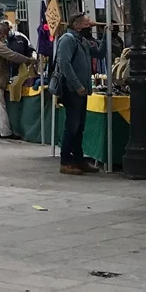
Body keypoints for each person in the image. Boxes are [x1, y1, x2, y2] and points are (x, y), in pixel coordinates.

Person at [52, 12, 99, 175]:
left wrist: (107, 34)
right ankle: (65, 161)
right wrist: (77, 85)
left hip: (82, 90)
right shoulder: (68, 39)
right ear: (77, 25)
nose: (90, 25)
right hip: (72, 90)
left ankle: (79, 159)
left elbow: (99, 53)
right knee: (72, 126)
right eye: (87, 23)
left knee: (80, 127)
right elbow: (64, 64)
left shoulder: (83, 41)